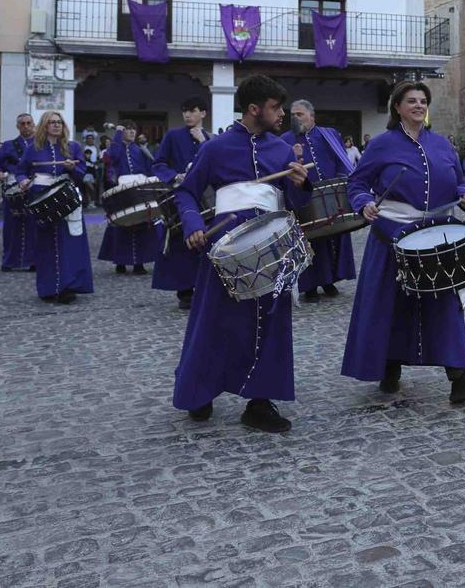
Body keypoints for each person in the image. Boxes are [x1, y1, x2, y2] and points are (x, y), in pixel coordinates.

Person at [342, 81, 465, 404]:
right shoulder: (382, 145)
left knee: (446, 306)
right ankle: (388, 365)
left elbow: (458, 183)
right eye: (411, 100)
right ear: (397, 107)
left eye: (423, 100)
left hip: (435, 240)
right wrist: (363, 203)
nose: (418, 105)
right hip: (391, 235)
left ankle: (460, 376)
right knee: (390, 305)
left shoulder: (442, 145)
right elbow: (357, 183)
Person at [171, 75, 312, 432]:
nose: (282, 114)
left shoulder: (281, 149)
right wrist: (192, 225)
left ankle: (260, 402)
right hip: (225, 247)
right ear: (254, 109)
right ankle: (199, 391)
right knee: (213, 322)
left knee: (270, 322)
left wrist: (300, 184)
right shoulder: (215, 148)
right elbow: (187, 192)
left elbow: (295, 203)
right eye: (275, 108)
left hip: (271, 248)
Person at [281, 99, 357, 303]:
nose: (295, 118)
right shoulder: (285, 139)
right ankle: (310, 286)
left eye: (300, 114)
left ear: (311, 116)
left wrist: (341, 184)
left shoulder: (329, 135)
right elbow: (283, 171)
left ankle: (329, 280)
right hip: (303, 199)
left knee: (333, 239)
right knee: (310, 240)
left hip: (331, 196)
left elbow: (341, 161)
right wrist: (293, 155)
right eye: (293, 115)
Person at [15, 112, 94, 304]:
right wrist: (23, 180)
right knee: (46, 244)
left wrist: (71, 169)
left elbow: (82, 171)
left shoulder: (73, 146)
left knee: (70, 242)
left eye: (59, 122)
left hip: (67, 197)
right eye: (52, 122)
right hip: (41, 197)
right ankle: (49, 288)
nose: (56, 125)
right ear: (44, 125)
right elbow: (20, 170)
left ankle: (68, 287)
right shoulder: (34, 148)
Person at [152, 96, 211, 310]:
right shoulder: (172, 136)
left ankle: (206, 287)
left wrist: (205, 142)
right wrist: (174, 176)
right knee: (181, 242)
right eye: (185, 111)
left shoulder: (211, 138)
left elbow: (220, 160)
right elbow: (158, 164)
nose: (187, 115)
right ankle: (185, 291)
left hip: (207, 198)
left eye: (192, 110)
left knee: (207, 240)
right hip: (180, 195)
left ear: (203, 113)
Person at [98, 121, 163, 275]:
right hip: (122, 188)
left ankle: (139, 263)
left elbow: (150, 168)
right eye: (128, 129)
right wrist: (118, 134)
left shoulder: (140, 149)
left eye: (134, 129)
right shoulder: (116, 147)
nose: (132, 132)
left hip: (140, 187)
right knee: (121, 225)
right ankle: (120, 261)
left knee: (142, 224)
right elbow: (111, 157)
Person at [0, 113, 37, 271]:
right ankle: (9, 261)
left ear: (33, 124)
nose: (26, 126)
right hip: (12, 188)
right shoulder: (8, 145)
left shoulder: (40, 144)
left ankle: (33, 261)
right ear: (18, 126)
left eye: (28, 123)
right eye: (22, 124)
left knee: (33, 225)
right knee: (11, 227)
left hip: (34, 187)